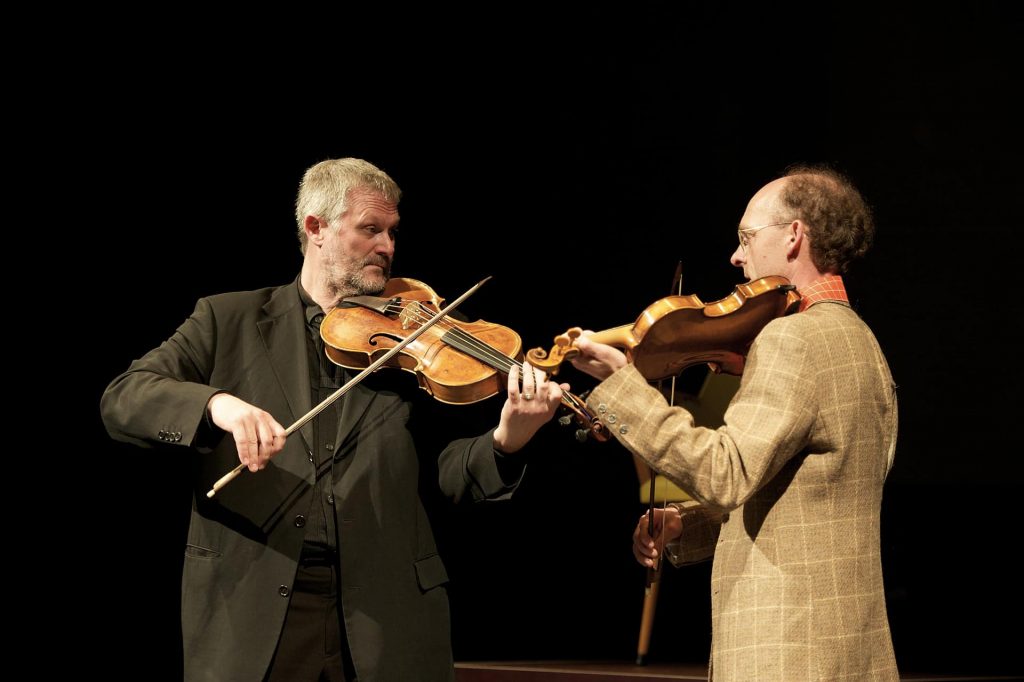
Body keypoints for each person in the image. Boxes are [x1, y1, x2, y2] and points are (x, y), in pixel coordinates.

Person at [100, 157, 567, 681]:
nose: (387, 247)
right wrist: (217, 405)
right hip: (254, 611)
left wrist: (508, 439)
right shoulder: (227, 319)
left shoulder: (413, 344)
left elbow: (446, 476)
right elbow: (125, 398)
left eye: (392, 232)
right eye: (370, 229)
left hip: (385, 617)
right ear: (315, 228)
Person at [569, 164, 899, 681]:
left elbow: (727, 474)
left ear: (794, 236)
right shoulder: (863, 341)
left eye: (746, 238)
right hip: (846, 644)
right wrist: (687, 523)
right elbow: (805, 496)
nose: (736, 256)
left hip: (786, 647)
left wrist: (624, 387)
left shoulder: (791, 339)